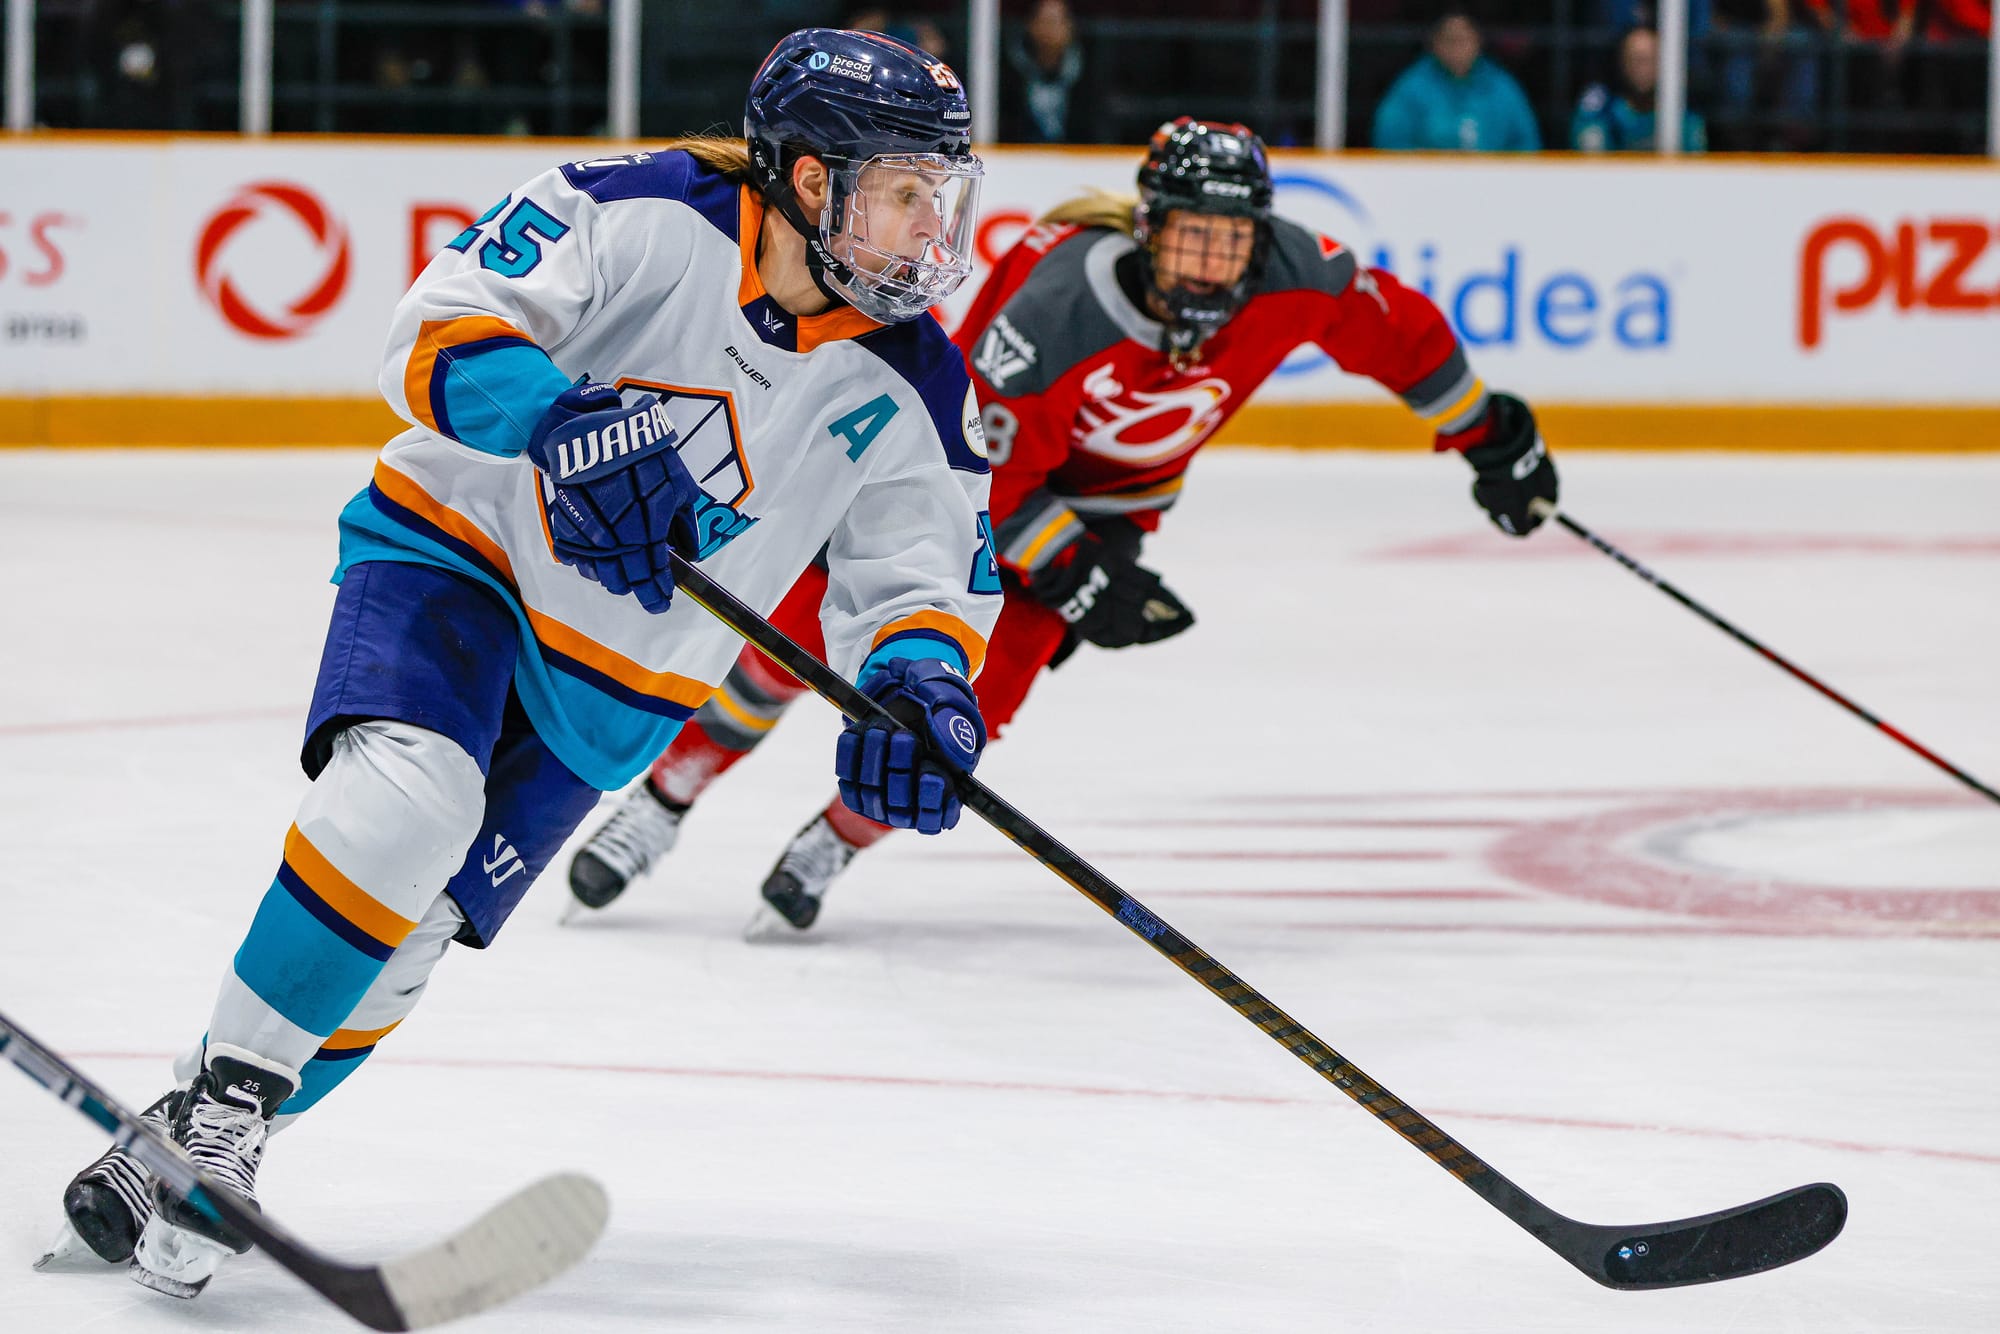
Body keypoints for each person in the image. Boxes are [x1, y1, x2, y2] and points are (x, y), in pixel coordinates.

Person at [42, 27, 1001, 1300]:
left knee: (412, 934)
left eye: (940, 195)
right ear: (811, 181)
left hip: (620, 689)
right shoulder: (636, 211)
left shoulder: (921, 387)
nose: (927, 228)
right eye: (901, 191)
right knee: (402, 806)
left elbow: (921, 581)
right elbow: (437, 329)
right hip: (462, 550)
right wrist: (556, 420)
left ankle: (193, 1132)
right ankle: (222, 1114)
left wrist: (921, 688)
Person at [563, 116, 1561, 932]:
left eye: (1231, 238)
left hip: (1101, 515)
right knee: (793, 646)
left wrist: (1484, 432)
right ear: (1148, 225)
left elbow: (1398, 331)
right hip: (935, 482)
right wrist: (1073, 567)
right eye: (1190, 235)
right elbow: (984, 477)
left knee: (969, 711)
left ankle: (837, 834)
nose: (1212, 263)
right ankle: (664, 799)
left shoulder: (1295, 274)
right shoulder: (1059, 305)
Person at [1371, 8, 1542, 151]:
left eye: (1464, 40)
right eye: (1450, 40)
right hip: (1428, 182)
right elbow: (1390, 141)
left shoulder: (1501, 87)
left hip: (1491, 182)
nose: (1457, 49)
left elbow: (1526, 144)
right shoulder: (1412, 87)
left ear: (1478, 42)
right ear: (1435, 44)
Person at [1572, 26, 1709, 151]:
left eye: (1650, 59)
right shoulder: (1600, 110)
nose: (1642, 68)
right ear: (1621, 62)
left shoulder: (1684, 114)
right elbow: (1591, 166)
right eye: (1635, 59)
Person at [999, 0, 1103, 144]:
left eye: (1056, 22)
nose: (1049, 29)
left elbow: (1094, 130)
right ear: (1031, 25)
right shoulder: (1008, 73)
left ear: (1070, 28)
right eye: (1045, 21)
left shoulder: (1086, 75)